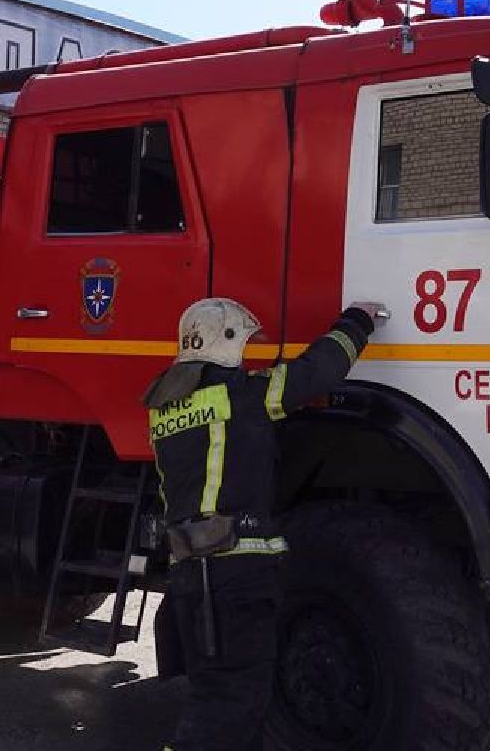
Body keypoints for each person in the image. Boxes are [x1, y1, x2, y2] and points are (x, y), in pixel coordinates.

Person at [146, 297, 384, 751]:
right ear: (228, 341)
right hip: (236, 578)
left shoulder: (165, 406)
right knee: (229, 702)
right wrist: (357, 322)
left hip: (192, 577)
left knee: (228, 698)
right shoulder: (242, 395)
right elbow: (318, 371)